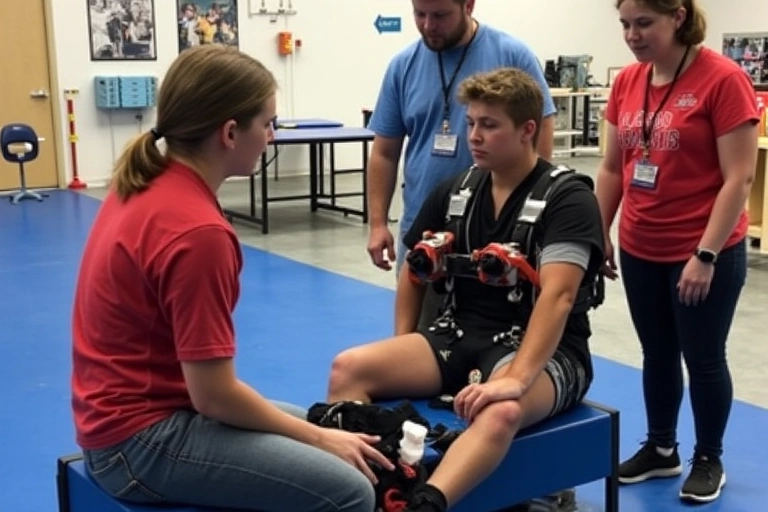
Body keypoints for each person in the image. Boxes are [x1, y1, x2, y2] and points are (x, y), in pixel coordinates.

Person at [70, 45, 394, 512]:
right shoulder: (199, 232)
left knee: (313, 427)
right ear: (229, 133)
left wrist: (315, 435)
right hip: (137, 444)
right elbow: (215, 396)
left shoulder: (142, 182)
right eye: (268, 124)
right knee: (349, 489)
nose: (271, 137)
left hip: (117, 418)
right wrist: (319, 441)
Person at [327, 67, 605, 512]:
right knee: (349, 369)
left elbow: (560, 296)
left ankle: (428, 502)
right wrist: (405, 343)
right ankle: (379, 485)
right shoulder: (455, 191)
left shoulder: (569, 199)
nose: (473, 136)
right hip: (457, 335)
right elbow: (414, 271)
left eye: (489, 125)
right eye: (471, 123)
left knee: (502, 411)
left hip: (547, 350)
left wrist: (516, 379)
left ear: (527, 130)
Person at [595, 0, 758, 504]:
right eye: (625, 24)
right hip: (642, 246)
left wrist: (706, 255)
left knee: (704, 358)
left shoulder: (722, 79)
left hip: (704, 251)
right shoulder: (628, 81)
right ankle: (661, 448)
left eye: (644, 23)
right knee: (657, 353)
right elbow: (612, 167)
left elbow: (740, 178)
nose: (632, 35)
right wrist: (599, 232)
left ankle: (708, 456)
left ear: (679, 17)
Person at [366, 0, 557, 278]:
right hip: (424, 229)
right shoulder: (402, 66)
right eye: (420, 15)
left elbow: (539, 141)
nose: (429, 26)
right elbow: (384, 152)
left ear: (469, 5)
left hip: (497, 232)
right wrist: (378, 223)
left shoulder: (512, 55)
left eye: (441, 15)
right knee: (418, 319)